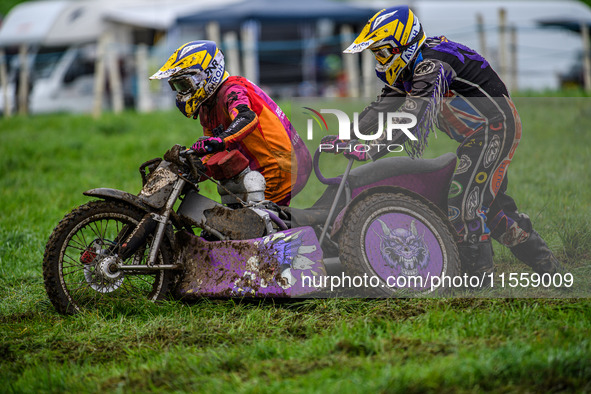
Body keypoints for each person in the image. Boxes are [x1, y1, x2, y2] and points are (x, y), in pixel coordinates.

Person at [322, 6, 561, 277]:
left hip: (494, 128)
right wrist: (346, 137)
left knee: (464, 205)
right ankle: (548, 267)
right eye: (375, 54)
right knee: (492, 210)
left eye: (382, 52)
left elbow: (411, 118)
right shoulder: (410, 68)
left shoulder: (432, 65)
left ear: (402, 45)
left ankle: (479, 280)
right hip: (477, 135)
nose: (379, 60)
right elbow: (381, 109)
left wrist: (371, 148)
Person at [150, 40, 311, 206]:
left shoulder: (232, 90)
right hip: (262, 169)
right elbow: (212, 149)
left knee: (249, 226)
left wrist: (219, 141)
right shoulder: (207, 106)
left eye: (184, 84)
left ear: (206, 74)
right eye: (177, 86)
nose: (181, 92)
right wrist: (193, 167)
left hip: (281, 167)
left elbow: (246, 117)